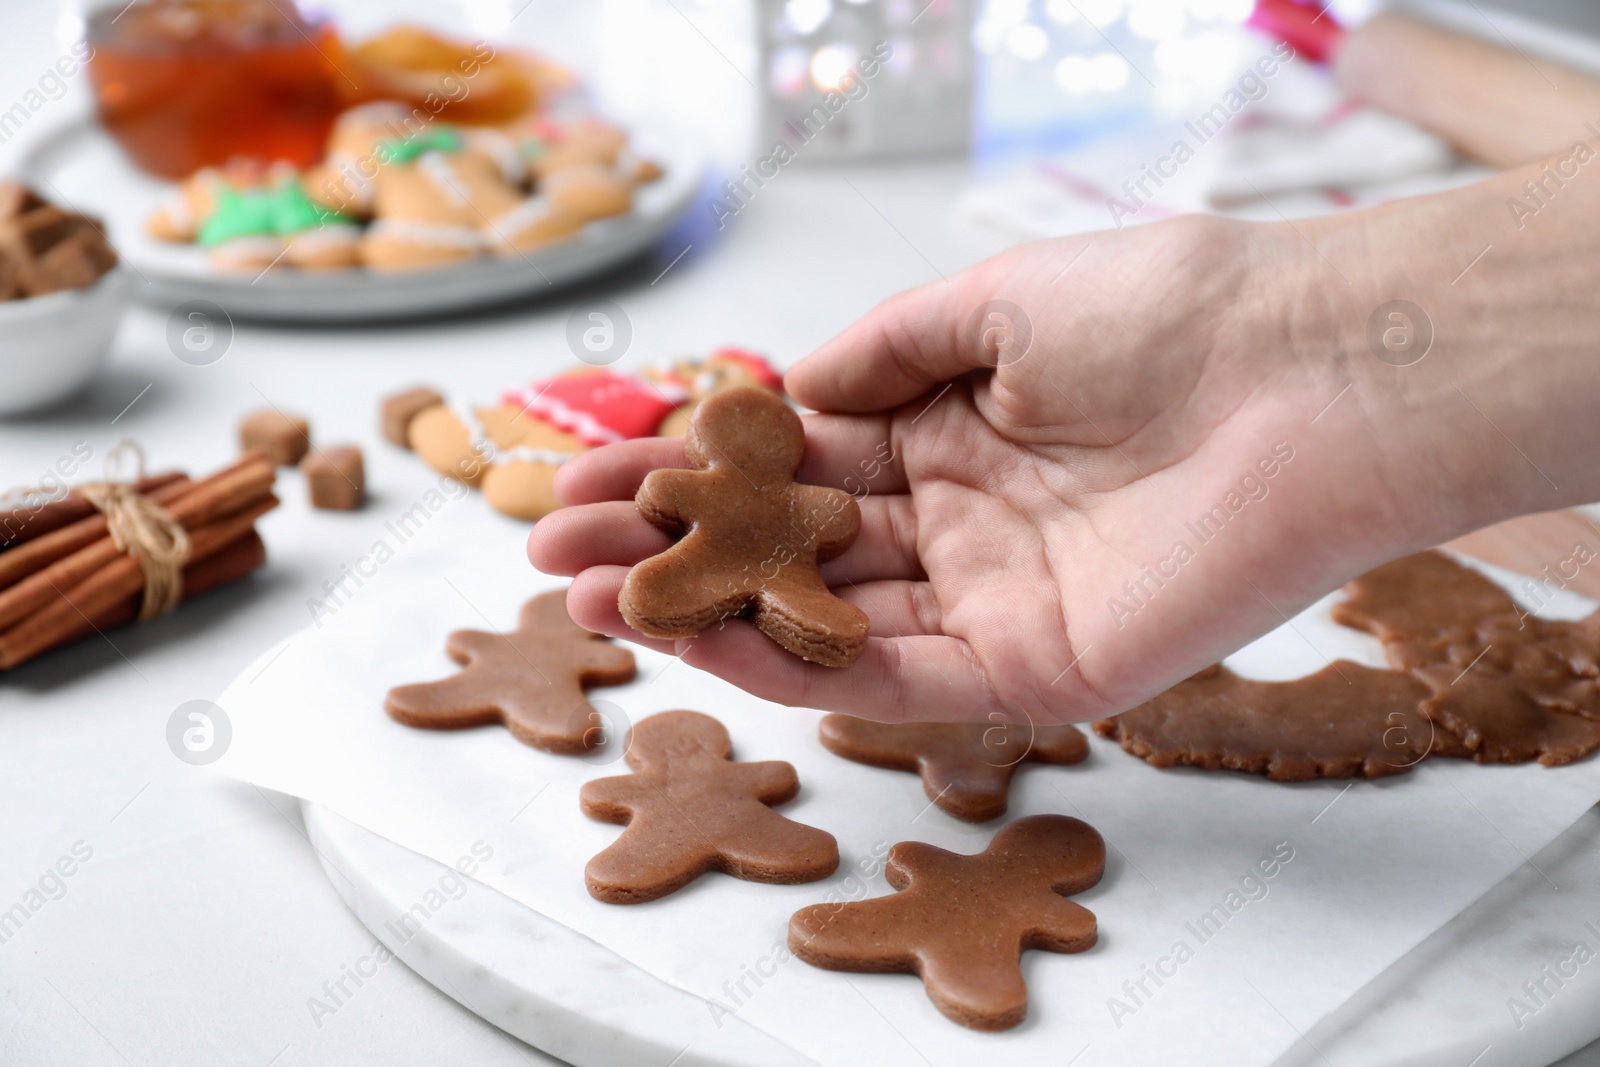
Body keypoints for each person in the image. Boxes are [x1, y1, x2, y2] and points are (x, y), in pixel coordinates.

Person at [529, 112, 1600, 726]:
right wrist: (1315, 337)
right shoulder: (750, 497)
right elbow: (704, 494)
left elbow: (778, 505)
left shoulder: (795, 503)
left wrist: (1290, 330)